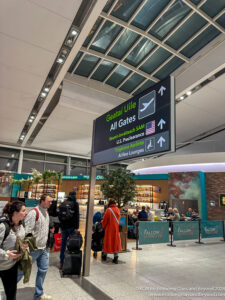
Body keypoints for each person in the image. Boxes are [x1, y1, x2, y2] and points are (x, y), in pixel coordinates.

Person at [18, 194, 53, 300]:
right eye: (49, 201)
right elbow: (27, 231)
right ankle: (8, 288)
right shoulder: (34, 213)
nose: (51, 203)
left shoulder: (46, 212)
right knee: (21, 271)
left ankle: (39, 293)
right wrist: (26, 248)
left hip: (44, 248)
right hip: (33, 249)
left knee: (43, 270)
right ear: (42, 201)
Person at [0, 201, 27, 300]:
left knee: (11, 294)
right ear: (15, 213)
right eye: (23, 211)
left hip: (11, 266)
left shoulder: (21, 224)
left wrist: (24, 247)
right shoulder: (3, 226)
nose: (26, 213)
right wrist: (7, 254)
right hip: (1, 263)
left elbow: (20, 240)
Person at [58, 191, 79, 269]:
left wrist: (61, 226)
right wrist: (77, 227)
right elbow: (76, 216)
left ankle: (61, 262)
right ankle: (70, 261)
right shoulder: (75, 204)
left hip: (64, 227)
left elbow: (59, 215)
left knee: (63, 245)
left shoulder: (64, 203)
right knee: (71, 244)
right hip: (71, 227)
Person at [102, 199, 122, 264]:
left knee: (107, 242)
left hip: (109, 229)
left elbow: (105, 220)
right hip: (116, 229)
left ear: (109, 203)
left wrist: (103, 225)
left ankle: (104, 255)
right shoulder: (117, 209)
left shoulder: (108, 210)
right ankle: (116, 258)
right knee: (115, 242)